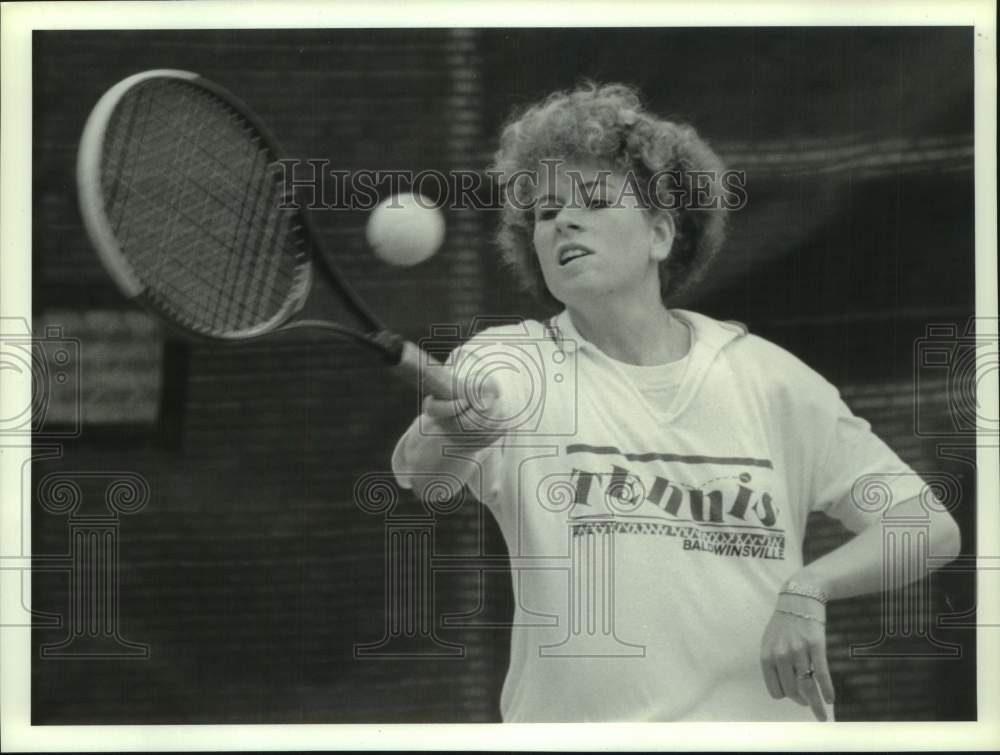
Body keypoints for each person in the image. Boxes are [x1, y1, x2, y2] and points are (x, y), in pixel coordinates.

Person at [391, 83, 961, 722]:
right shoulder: (509, 365)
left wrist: (809, 588)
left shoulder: (770, 380)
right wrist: (459, 436)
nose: (562, 222)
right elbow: (425, 480)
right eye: (545, 213)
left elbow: (928, 527)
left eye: (595, 201)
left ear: (661, 232)